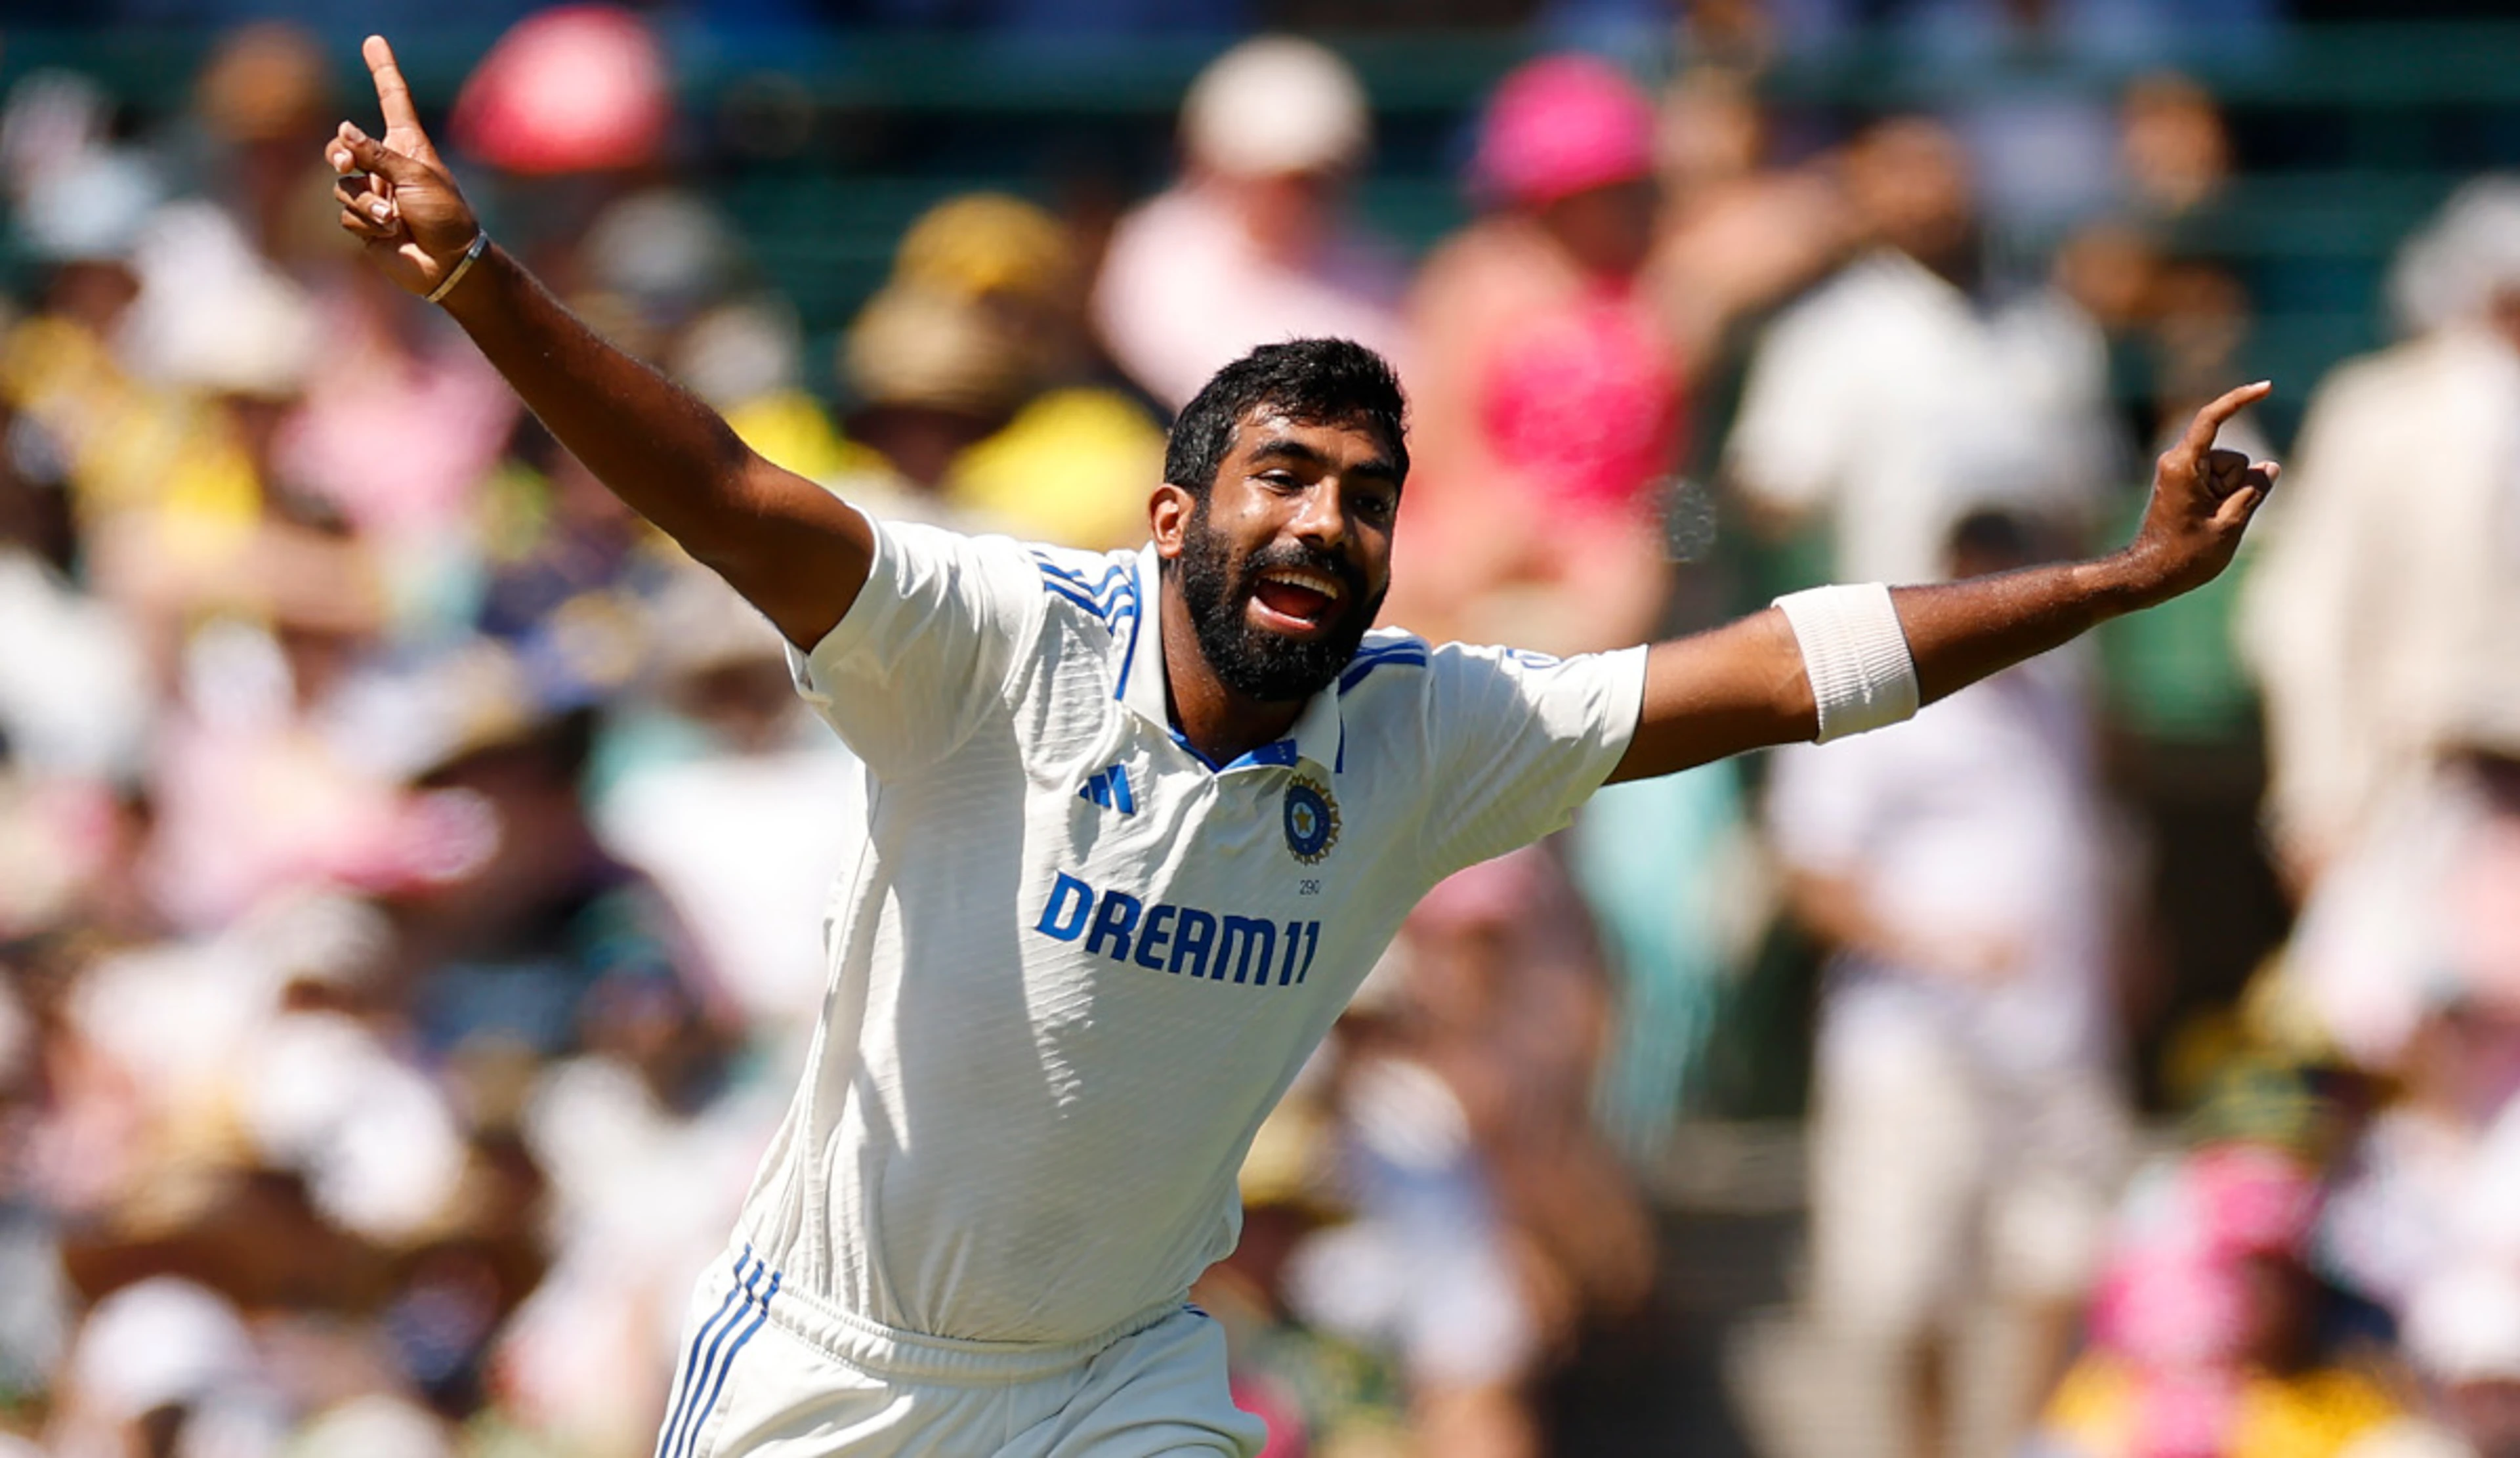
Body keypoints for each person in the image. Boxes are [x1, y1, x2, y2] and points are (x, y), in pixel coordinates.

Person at [327, 33, 2278, 1457]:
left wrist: (2114, 582)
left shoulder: (1429, 728)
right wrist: (478, 277)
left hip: (1113, 1377)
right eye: (1283, 477)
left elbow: (1777, 669)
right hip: (836, 1362)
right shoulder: (992, 645)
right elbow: (726, 489)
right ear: (1172, 515)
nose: (1327, 523)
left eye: (1367, 496)